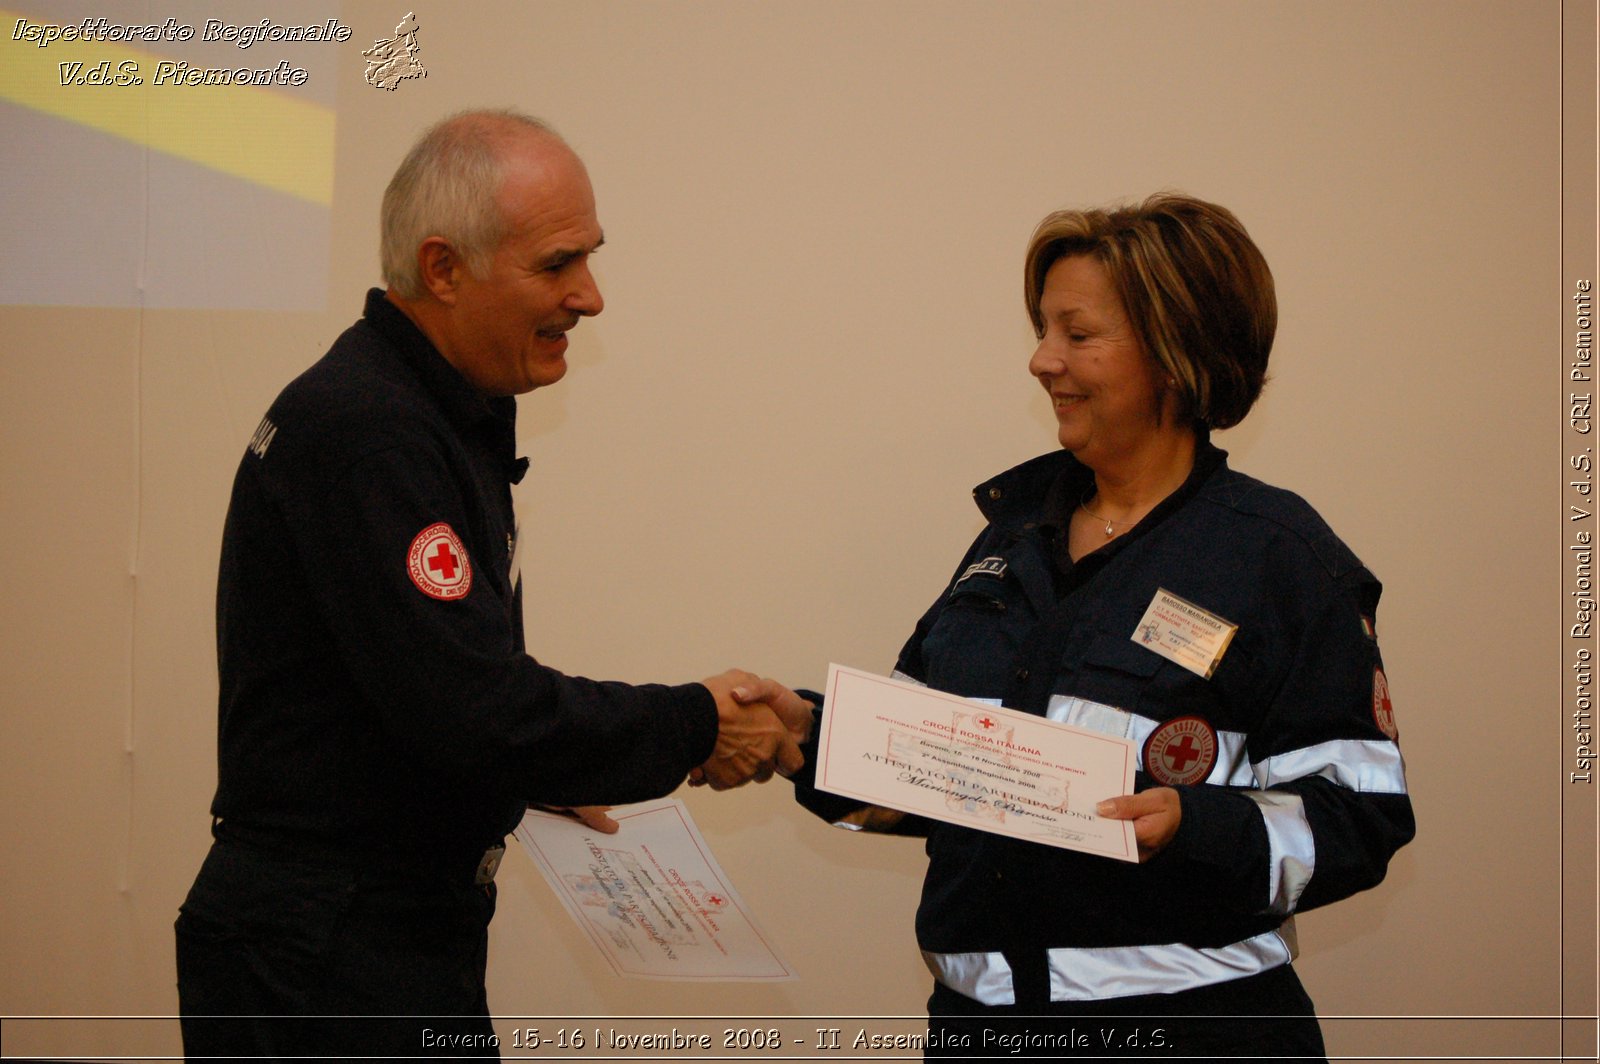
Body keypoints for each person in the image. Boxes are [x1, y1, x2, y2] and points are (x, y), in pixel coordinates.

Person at [174, 109, 809, 1060]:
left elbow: (416, 694)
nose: (590, 298)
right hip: (329, 954)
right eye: (557, 265)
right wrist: (697, 722)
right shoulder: (372, 433)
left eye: (590, 258)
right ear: (443, 269)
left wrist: (525, 775)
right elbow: (472, 708)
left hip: (368, 935)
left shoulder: (424, 414)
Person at [789, 193, 1414, 1060]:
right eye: (1044, 330)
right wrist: (799, 737)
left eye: (1078, 335)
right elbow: (926, 766)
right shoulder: (1009, 543)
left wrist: (1194, 828)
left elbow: (1361, 818)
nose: (1043, 361)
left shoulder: (1278, 557)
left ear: (1174, 352)